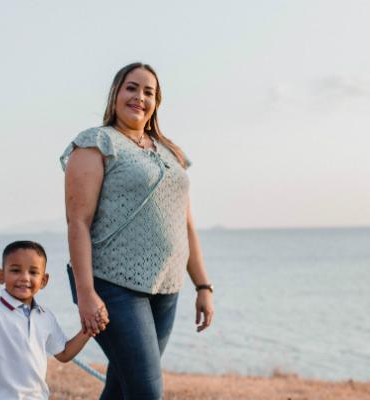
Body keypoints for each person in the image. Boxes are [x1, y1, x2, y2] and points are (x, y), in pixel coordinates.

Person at [60, 62, 215, 399]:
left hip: (167, 287)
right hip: (112, 286)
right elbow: (78, 223)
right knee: (146, 392)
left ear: (157, 102)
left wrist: (203, 285)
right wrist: (86, 293)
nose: (140, 97)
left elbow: (185, 223)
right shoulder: (97, 143)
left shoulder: (172, 153)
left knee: (122, 387)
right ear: (116, 93)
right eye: (132, 87)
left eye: (149, 92)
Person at [0, 241, 93, 400]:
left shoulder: (46, 316)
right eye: (16, 270)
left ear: (44, 280)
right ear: (0, 275)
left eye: (33, 272)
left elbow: (64, 353)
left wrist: (89, 329)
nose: (25, 278)